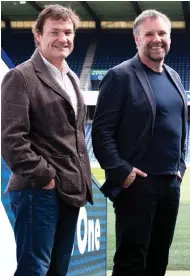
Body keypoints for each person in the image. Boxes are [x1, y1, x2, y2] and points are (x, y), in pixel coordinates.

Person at [92, 9, 187, 276]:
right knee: (131, 261)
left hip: (170, 184)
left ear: (170, 38)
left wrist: (180, 168)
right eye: (149, 34)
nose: (157, 39)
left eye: (162, 33)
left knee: (158, 260)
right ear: (137, 39)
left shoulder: (174, 77)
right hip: (137, 185)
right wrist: (122, 172)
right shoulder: (119, 76)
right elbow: (101, 132)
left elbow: (178, 128)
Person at [1, 4, 92, 276]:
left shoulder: (72, 78)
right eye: (54, 32)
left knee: (57, 269)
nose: (63, 38)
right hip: (38, 192)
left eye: (68, 32)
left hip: (69, 191)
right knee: (34, 270)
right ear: (37, 36)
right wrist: (46, 177)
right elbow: (11, 139)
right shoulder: (20, 76)